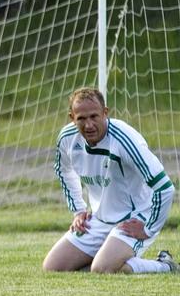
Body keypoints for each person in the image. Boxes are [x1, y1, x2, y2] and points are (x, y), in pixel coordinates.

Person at [43, 87, 177, 274]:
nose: (88, 125)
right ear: (71, 117)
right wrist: (79, 210)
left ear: (105, 113)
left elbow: (164, 187)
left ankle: (166, 266)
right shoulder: (67, 138)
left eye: (94, 116)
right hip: (99, 218)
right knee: (53, 267)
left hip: (134, 218)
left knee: (102, 269)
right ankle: (109, 256)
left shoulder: (124, 138)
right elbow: (64, 170)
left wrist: (148, 228)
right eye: (81, 118)